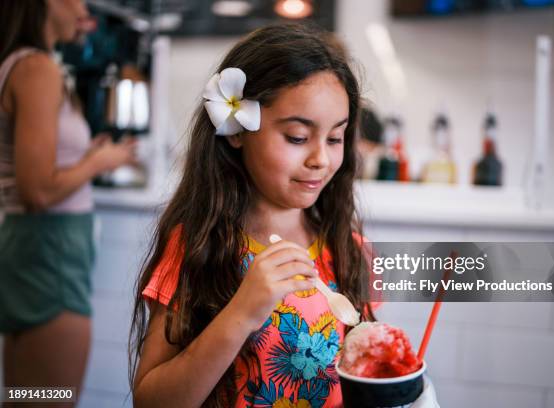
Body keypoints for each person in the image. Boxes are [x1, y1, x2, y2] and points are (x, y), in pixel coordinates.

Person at [129, 23, 437, 407]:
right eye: (296, 137)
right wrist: (241, 313)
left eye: (335, 138)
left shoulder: (349, 250)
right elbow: (152, 401)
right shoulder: (198, 246)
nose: (321, 159)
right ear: (238, 131)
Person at [0, 0, 136, 403]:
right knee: (51, 399)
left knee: (27, 397)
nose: (85, 7)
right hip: (50, 254)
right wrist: (99, 162)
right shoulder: (37, 69)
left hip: (35, 249)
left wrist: (85, 158)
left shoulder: (21, 64)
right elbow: (38, 192)